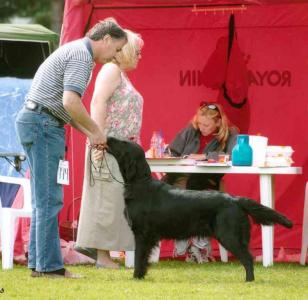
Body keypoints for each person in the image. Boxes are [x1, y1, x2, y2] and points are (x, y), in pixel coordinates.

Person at [15, 18, 127, 278]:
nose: (115, 56)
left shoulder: (75, 49)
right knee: (50, 200)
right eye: (117, 49)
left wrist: (90, 133)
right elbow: (70, 101)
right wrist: (97, 130)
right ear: (107, 39)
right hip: (43, 124)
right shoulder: (82, 56)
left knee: (43, 200)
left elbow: (67, 108)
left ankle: (38, 264)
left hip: (37, 120)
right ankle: (51, 267)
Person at [75, 29, 144, 269]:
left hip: (122, 148)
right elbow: (97, 102)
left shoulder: (122, 75)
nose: (139, 56)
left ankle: (110, 253)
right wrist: (99, 140)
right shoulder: (111, 69)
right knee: (105, 199)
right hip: (108, 144)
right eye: (137, 51)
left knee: (116, 201)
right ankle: (102, 257)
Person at [163, 101, 238, 263]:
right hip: (182, 178)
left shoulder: (231, 134)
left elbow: (232, 157)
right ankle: (188, 242)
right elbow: (173, 150)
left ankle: (198, 244)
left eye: (206, 125)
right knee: (180, 196)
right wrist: (167, 153)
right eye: (199, 123)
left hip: (207, 180)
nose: (202, 128)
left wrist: (205, 156)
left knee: (201, 200)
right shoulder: (191, 129)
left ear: (218, 122)